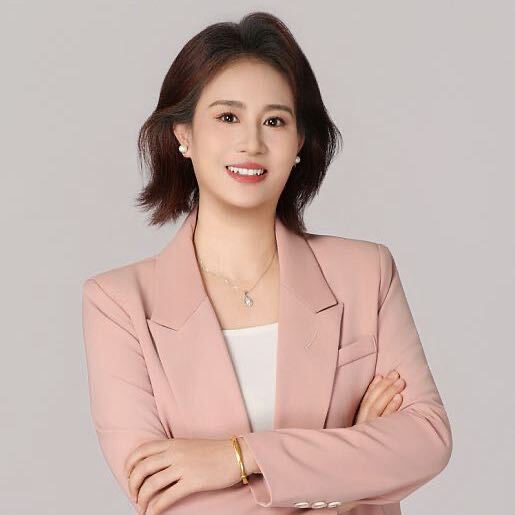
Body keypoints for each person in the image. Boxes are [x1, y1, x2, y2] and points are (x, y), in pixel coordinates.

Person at [81, 11, 452, 515]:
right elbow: (161, 493)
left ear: (299, 142)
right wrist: (347, 477)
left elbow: (427, 440)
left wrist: (238, 457)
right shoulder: (119, 304)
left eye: (274, 121)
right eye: (227, 117)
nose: (252, 143)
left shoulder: (367, 273)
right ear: (183, 134)